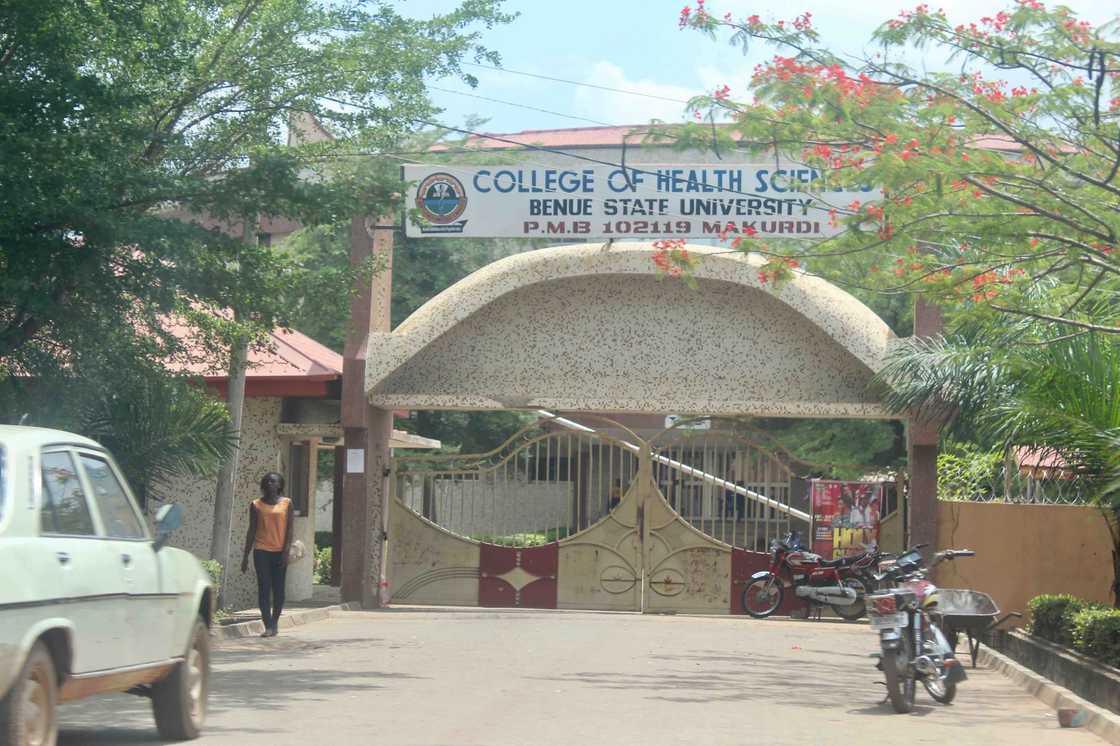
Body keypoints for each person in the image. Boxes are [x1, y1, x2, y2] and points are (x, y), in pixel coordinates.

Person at [241, 472, 293, 637]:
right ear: (264, 484)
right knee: (264, 586)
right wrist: (245, 556)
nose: (271, 484)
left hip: (280, 552)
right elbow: (252, 530)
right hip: (261, 551)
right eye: (268, 481)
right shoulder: (256, 504)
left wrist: (286, 551)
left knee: (279, 590)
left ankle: (275, 622)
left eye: (274, 481)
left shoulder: (286, 503)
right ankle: (268, 624)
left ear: (280, 485)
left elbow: (290, 529)